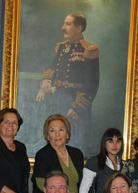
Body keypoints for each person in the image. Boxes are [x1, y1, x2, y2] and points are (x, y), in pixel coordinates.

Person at [35, 12, 99, 155]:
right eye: (64, 23)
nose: (64, 27)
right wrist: (46, 80)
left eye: (68, 24)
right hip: (58, 99)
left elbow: (92, 84)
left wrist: (77, 108)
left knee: (77, 143)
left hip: (75, 104)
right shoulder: (62, 48)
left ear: (79, 28)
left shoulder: (89, 50)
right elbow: (52, 67)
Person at [31, 114, 84, 193]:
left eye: (61, 130)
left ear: (67, 134)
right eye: (52, 131)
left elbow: (82, 183)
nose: (57, 134)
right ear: (48, 136)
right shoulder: (43, 154)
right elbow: (40, 183)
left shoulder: (77, 154)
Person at [79, 127, 123, 193]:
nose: (115, 145)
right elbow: (84, 189)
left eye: (118, 141)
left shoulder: (125, 165)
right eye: (110, 141)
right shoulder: (94, 162)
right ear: (104, 143)